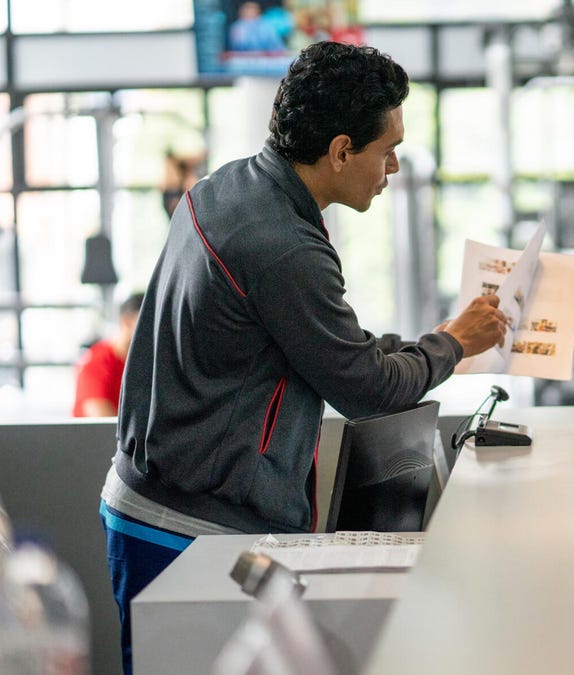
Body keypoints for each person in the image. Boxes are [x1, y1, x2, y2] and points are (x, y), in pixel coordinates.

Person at [100, 42, 508, 674]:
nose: (394, 166)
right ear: (342, 150)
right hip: (188, 531)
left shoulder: (231, 188)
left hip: (163, 509)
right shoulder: (281, 243)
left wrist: (428, 342)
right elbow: (366, 388)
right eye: (387, 149)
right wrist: (453, 344)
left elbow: (326, 344)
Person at [72, 292, 143, 417]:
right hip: (96, 436)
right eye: (149, 323)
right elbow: (103, 424)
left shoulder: (147, 364)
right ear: (127, 321)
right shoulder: (96, 362)